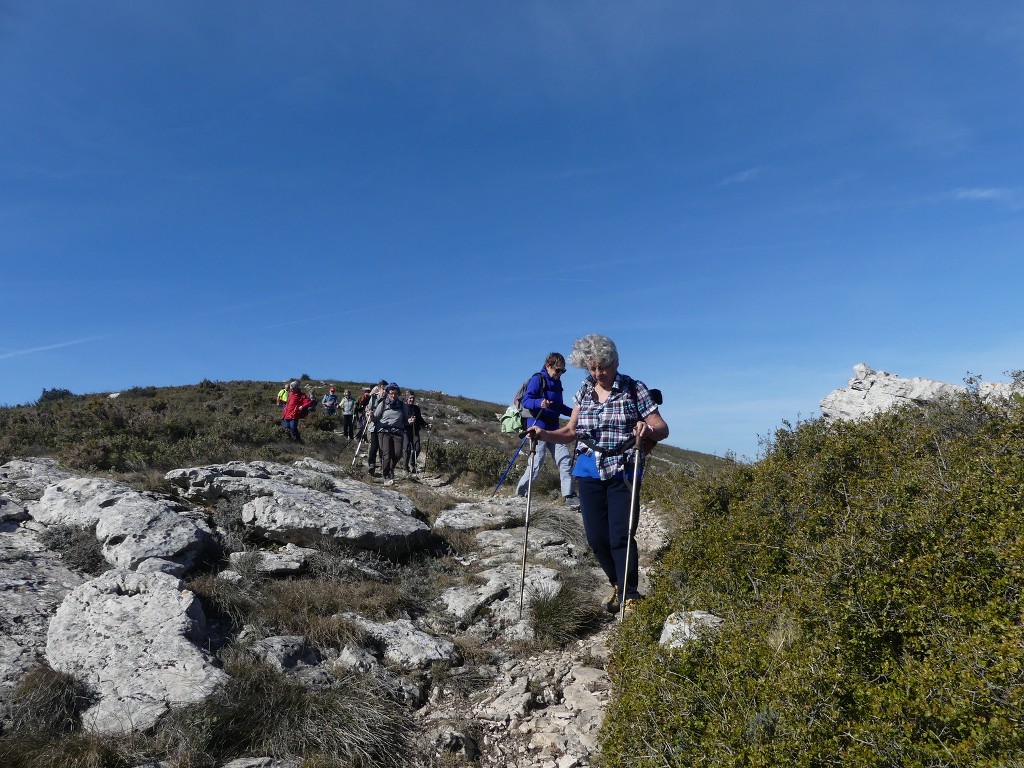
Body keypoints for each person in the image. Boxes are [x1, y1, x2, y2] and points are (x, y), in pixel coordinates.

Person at [527, 334, 668, 616]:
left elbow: (662, 428)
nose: (597, 373)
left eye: (602, 367)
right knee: (595, 538)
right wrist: (543, 433)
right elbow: (570, 431)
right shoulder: (585, 390)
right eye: (591, 368)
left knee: (620, 535)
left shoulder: (632, 388)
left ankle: (630, 594)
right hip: (589, 468)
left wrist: (647, 430)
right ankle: (617, 584)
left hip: (623, 469)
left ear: (614, 362)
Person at [515, 353, 575, 503]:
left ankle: (568, 496)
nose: (560, 374)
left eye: (563, 371)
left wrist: (576, 413)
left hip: (554, 429)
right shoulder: (537, 379)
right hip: (537, 426)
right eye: (558, 370)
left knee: (565, 460)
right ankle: (521, 495)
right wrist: (540, 403)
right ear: (548, 366)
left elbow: (559, 406)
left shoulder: (558, 383)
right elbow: (527, 400)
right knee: (536, 462)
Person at [372, 382, 408, 485]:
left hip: (397, 432)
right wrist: (371, 416)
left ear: (398, 394)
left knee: (397, 454)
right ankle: (386, 475)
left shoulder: (402, 405)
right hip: (384, 431)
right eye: (391, 393)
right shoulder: (382, 404)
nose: (393, 395)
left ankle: (391, 468)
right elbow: (375, 418)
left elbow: (405, 420)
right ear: (388, 393)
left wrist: (409, 421)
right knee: (386, 454)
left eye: (395, 393)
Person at [365, 380, 389, 473]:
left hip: (384, 426)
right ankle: (372, 464)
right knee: (373, 446)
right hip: (373, 425)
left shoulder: (388, 399)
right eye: (382, 387)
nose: (383, 390)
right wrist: (369, 415)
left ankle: (383, 466)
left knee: (383, 448)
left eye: (385, 387)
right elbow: (368, 410)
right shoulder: (374, 398)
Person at [403, 392, 430, 472]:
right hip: (406, 431)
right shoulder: (403, 407)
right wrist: (408, 421)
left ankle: (412, 463)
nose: (412, 400)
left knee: (417, 449)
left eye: (413, 398)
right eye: (410, 398)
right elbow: (401, 419)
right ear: (407, 398)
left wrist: (426, 425)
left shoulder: (416, 408)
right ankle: (405, 467)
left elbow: (420, 419)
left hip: (415, 431)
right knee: (407, 449)